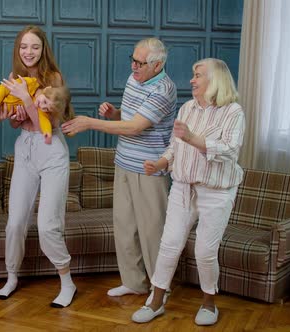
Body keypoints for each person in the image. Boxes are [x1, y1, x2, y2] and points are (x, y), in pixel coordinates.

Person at [132, 58, 245, 326]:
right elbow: (175, 147)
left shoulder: (233, 112)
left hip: (216, 192)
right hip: (182, 188)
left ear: (215, 80)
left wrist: (193, 138)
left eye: (198, 75)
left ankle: (209, 305)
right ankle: (156, 301)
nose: (192, 80)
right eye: (193, 75)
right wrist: (161, 162)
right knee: (169, 245)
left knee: (205, 251)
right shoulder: (186, 109)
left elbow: (229, 151)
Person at [61, 38, 176, 299]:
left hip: (149, 168)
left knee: (152, 231)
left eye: (140, 62)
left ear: (157, 65)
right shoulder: (134, 78)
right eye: (132, 60)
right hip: (124, 161)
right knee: (124, 226)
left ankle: (160, 289)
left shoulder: (163, 89)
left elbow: (136, 127)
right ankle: (134, 283)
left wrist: (90, 123)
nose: (134, 66)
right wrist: (115, 113)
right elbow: (131, 118)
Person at [0, 25, 77, 308]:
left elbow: (51, 123)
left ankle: (67, 282)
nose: (28, 52)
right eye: (24, 47)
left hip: (51, 149)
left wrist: (27, 100)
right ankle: (12, 276)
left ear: (43, 50)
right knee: (15, 222)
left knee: (47, 225)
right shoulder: (17, 78)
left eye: (35, 47)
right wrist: (9, 115)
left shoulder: (53, 78)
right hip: (25, 148)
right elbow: (21, 122)